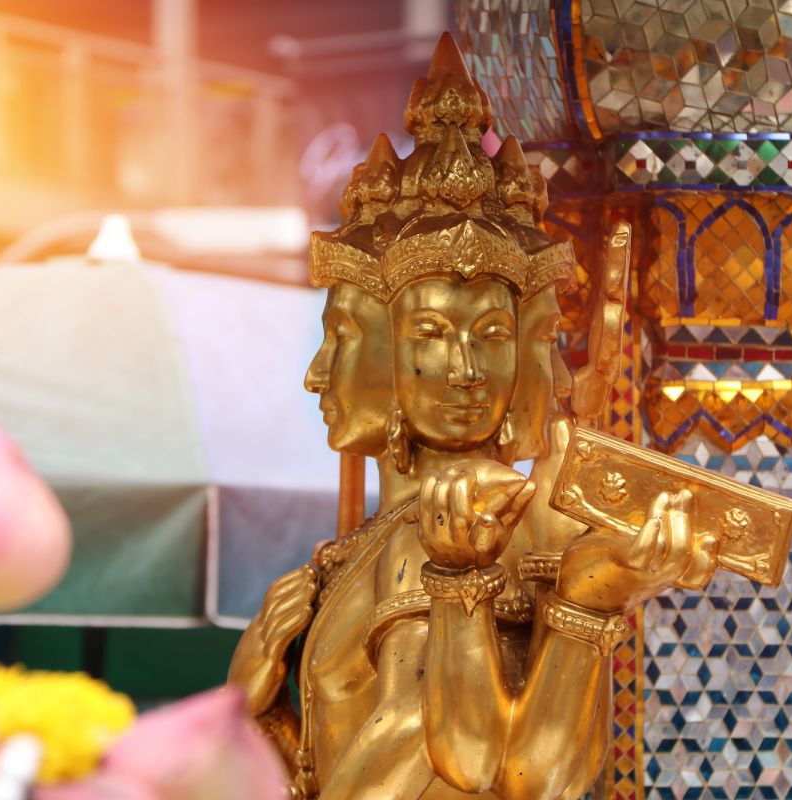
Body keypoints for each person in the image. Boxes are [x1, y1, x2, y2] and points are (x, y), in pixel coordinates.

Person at [230, 34, 719, 800]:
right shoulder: (368, 545)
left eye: (491, 335)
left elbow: (508, 772)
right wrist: (254, 697)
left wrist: (570, 600)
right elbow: (325, 765)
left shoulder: (483, 531)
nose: (464, 369)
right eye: (430, 333)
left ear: (527, 349)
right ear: (375, 350)